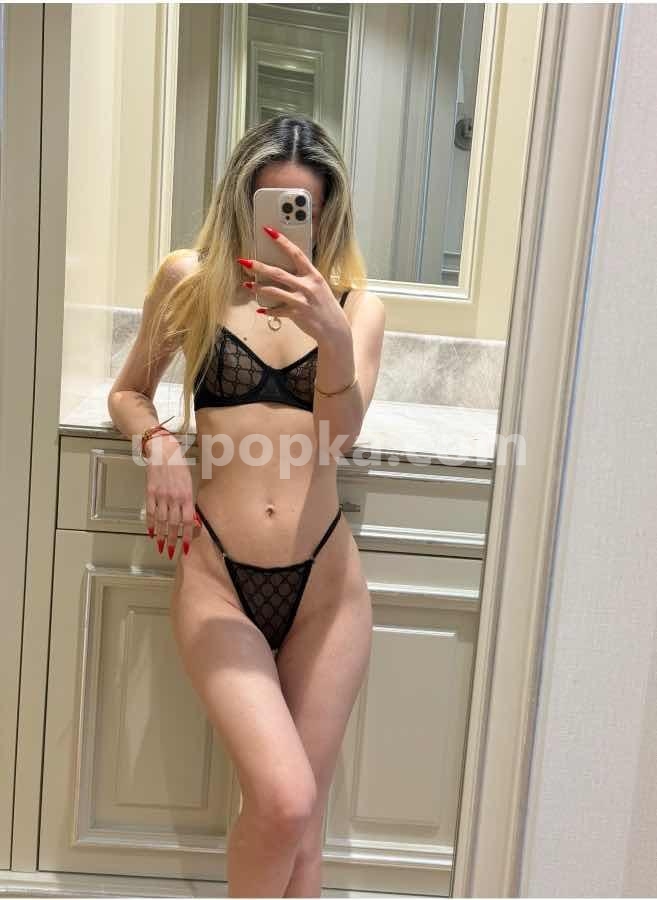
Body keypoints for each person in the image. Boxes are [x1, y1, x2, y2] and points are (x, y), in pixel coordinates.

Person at [107, 113, 385, 898]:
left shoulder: (356, 308)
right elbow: (128, 392)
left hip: (325, 590)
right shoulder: (189, 280)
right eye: (271, 205)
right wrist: (161, 447)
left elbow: (337, 438)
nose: (284, 227)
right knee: (283, 801)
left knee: (303, 829)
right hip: (218, 580)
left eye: (303, 209)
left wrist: (331, 335)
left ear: (326, 213)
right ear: (241, 199)